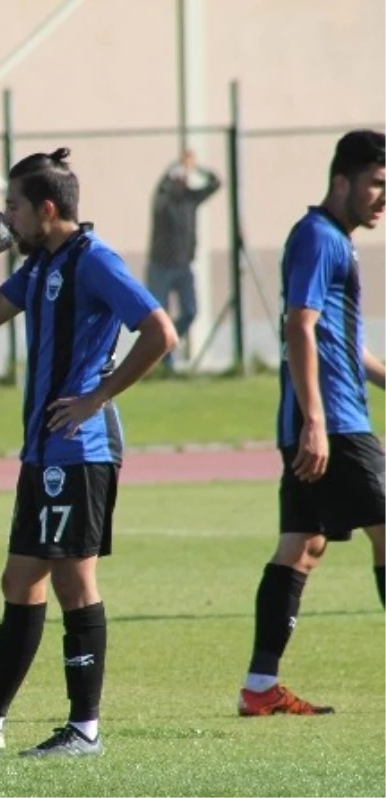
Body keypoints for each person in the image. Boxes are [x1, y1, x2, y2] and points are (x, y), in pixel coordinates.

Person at [0, 148, 176, 758]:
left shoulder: (94, 261)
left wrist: (97, 397)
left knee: (74, 580)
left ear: (46, 209)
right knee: (19, 578)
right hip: (44, 450)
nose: (7, 218)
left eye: (14, 207)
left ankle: (85, 731)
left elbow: (161, 331)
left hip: (80, 449)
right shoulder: (41, 265)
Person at [238, 130, 386, 717]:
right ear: (342, 181)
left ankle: (259, 686)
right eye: (375, 184)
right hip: (334, 426)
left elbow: (345, 346)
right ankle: (258, 684)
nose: (382, 197)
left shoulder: (335, 241)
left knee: (301, 548)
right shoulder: (319, 238)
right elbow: (300, 326)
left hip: (323, 420)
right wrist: (317, 424)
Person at [146, 149, 221, 369]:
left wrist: (195, 167)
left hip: (184, 266)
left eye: (184, 178)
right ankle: (165, 362)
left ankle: (166, 346)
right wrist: (175, 166)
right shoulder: (162, 200)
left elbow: (215, 183)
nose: (182, 181)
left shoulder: (191, 199)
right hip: (160, 266)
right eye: (178, 178)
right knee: (159, 317)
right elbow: (161, 185)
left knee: (190, 311)